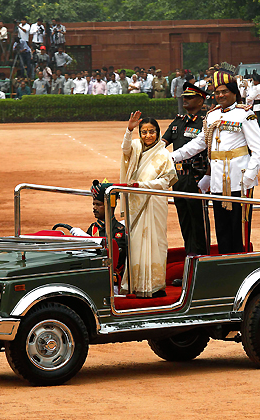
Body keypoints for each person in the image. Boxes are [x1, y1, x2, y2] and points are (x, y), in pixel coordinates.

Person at [171, 66, 260, 254]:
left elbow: (258, 149)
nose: (220, 95)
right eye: (217, 92)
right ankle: (225, 265)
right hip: (217, 181)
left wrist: (250, 176)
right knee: (221, 228)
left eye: (225, 92)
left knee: (238, 229)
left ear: (234, 93)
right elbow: (199, 143)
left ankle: (239, 265)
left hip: (239, 179)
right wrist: (173, 156)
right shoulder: (212, 115)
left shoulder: (244, 114)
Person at [120, 111, 178, 297]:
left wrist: (143, 185)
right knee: (136, 243)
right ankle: (135, 285)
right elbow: (125, 150)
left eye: (151, 131)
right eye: (143, 132)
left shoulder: (163, 154)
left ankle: (155, 285)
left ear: (158, 132)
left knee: (156, 241)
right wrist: (129, 130)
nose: (147, 135)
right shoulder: (135, 146)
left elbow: (167, 180)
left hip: (153, 202)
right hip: (135, 203)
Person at [162, 82, 209, 263]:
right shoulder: (178, 121)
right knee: (185, 222)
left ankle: (203, 264)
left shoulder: (205, 122)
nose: (185, 101)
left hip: (197, 178)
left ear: (201, 100)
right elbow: (163, 143)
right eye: (184, 98)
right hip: (179, 178)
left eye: (190, 98)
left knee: (199, 223)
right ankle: (190, 263)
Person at [70, 180, 128, 276]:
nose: (94, 208)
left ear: (110, 206)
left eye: (98, 204)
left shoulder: (120, 231)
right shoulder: (93, 228)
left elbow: (116, 261)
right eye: (94, 204)